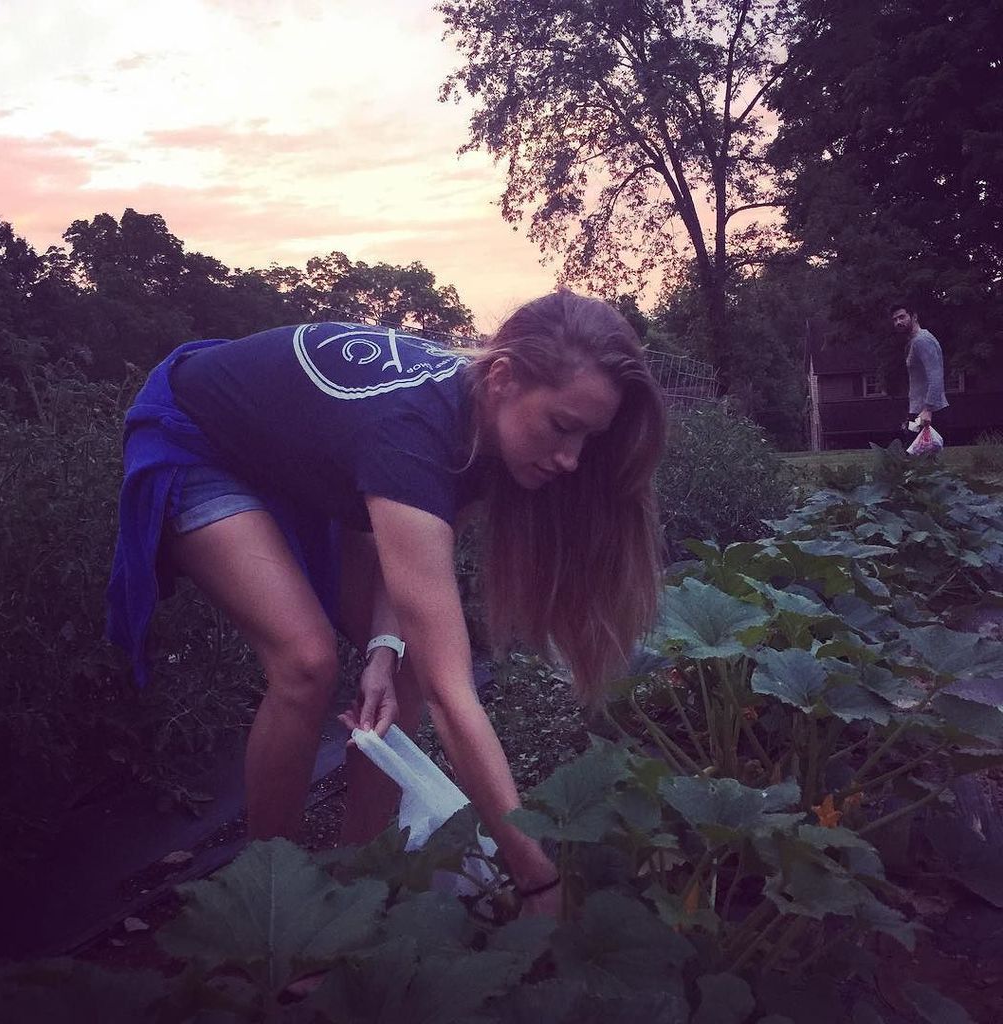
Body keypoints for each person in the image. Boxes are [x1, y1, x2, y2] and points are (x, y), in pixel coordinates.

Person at [106, 289, 666, 915]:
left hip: (309, 459)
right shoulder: (411, 436)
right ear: (503, 378)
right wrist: (536, 874)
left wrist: (383, 647)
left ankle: (357, 882)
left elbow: (409, 579)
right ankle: (273, 905)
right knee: (306, 663)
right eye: (562, 427)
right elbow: (457, 694)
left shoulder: (482, 432)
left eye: (588, 438)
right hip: (198, 436)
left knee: (405, 673)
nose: (571, 459)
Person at [889, 302, 948, 429]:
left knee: (915, 447)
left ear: (914, 317)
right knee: (911, 446)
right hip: (918, 411)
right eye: (895, 320)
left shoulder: (922, 341)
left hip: (927, 413)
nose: (898, 322)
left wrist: (928, 409)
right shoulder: (914, 341)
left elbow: (935, 376)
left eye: (902, 317)